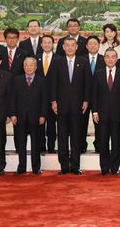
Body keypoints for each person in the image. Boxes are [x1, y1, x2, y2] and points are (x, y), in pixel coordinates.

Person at [51, 37, 91, 175]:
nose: (69, 47)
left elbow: (87, 84)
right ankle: (63, 166)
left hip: (77, 105)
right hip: (61, 105)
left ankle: (75, 166)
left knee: (76, 136)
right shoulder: (57, 62)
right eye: (66, 45)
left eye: (72, 45)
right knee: (62, 136)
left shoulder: (83, 62)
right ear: (62, 47)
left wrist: (86, 100)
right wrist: (53, 101)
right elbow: (53, 83)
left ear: (76, 47)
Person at [92, 48, 120, 175]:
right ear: (104, 59)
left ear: (116, 58)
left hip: (118, 113)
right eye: (107, 56)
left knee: (117, 140)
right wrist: (95, 111)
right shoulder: (98, 73)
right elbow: (94, 94)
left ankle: (114, 167)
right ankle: (104, 166)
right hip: (101, 113)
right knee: (103, 140)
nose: (110, 59)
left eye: (113, 57)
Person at [10, 57, 47, 175]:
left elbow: (44, 100)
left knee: (36, 143)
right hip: (20, 117)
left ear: (36, 67)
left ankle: (36, 167)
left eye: (31, 65)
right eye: (26, 65)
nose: (29, 67)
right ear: (23, 67)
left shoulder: (42, 81)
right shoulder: (16, 80)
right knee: (21, 143)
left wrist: (43, 115)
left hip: (36, 117)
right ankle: (21, 167)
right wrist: (13, 114)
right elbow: (12, 99)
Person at [36, 34, 60, 153]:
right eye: (44, 42)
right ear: (41, 45)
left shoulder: (59, 59)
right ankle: (40, 145)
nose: (46, 44)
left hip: (54, 97)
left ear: (53, 44)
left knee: (51, 123)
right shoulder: (35, 59)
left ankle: (51, 146)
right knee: (40, 122)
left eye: (49, 42)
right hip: (38, 97)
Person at [82, 35, 105, 153]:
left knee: (99, 123)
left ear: (99, 45)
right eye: (90, 44)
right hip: (83, 98)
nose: (92, 46)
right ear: (86, 46)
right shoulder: (80, 60)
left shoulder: (104, 59)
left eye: (95, 43)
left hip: (100, 98)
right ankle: (81, 145)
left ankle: (99, 146)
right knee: (81, 123)